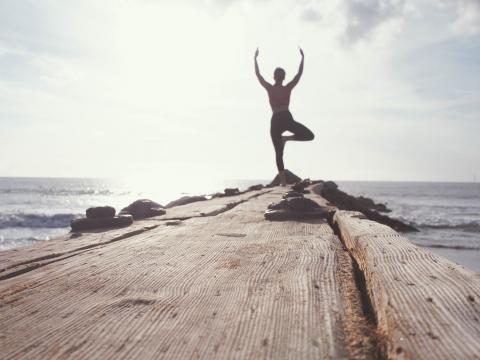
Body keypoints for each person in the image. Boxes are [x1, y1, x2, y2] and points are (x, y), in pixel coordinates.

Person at [254, 47, 314, 186]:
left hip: (276, 120)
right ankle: (286, 139)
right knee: (309, 136)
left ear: (274, 76)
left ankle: (283, 182)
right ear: (283, 77)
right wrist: (302, 58)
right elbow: (299, 74)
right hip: (286, 118)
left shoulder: (270, 87)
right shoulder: (287, 88)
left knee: (278, 152)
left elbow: (258, 75)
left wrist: (255, 59)